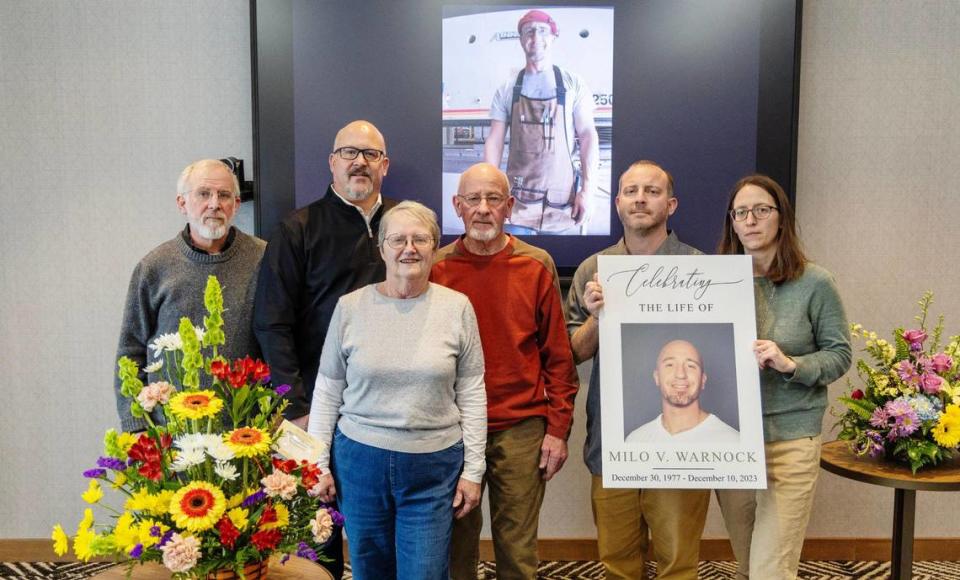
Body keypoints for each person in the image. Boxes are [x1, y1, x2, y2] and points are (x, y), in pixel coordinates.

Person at [307, 201, 487, 580]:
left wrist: (474, 470)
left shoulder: (457, 308)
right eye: (398, 239)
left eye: (421, 239)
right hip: (359, 465)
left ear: (435, 247)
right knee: (371, 571)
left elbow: (472, 394)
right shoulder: (350, 308)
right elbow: (327, 392)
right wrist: (316, 465)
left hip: (433, 467)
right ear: (381, 248)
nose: (410, 248)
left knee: (424, 572)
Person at [253, 120, 396, 578]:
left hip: (384, 411)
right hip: (311, 410)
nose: (359, 161)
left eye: (370, 154)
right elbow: (271, 323)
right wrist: (294, 408)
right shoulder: (297, 229)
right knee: (314, 537)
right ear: (332, 162)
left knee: (379, 536)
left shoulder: (404, 226)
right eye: (349, 152)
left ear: (385, 166)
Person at [431, 162, 579, 579]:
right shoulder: (437, 269)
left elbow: (559, 359)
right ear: (457, 206)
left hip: (521, 429)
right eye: (473, 199)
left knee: (516, 551)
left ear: (509, 205)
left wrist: (558, 429)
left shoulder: (536, 265)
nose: (483, 208)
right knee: (455, 549)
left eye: (493, 198)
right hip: (453, 429)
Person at [565, 160, 709, 579]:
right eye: (631, 191)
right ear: (617, 203)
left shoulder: (701, 268)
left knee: (678, 565)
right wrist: (597, 317)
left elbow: (716, 354)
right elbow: (573, 352)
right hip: (613, 442)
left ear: (672, 204)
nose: (641, 199)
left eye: (652, 191)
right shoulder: (593, 269)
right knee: (617, 564)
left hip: (682, 446)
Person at [714, 175, 851, 579]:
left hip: (789, 440)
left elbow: (840, 354)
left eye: (762, 210)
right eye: (741, 212)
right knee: (747, 563)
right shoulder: (713, 283)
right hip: (731, 440)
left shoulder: (815, 282)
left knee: (770, 569)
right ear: (732, 223)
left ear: (781, 218)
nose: (751, 220)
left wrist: (792, 364)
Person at [114, 159, 265, 433]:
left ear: (237, 205)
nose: (214, 204)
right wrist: (137, 427)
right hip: (173, 433)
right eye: (204, 194)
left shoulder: (265, 258)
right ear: (182, 204)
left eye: (224, 195)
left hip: (246, 432)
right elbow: (130, 350)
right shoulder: (154, 267)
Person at [483, 9, 599, 235]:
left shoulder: (572, 84)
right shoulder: (507, 89)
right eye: (529, 31)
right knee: (518, 268)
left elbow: (587, 135)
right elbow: (494, 141)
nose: (536, 37)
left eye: (543, 31)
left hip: (562, 203)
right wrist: (489, 189)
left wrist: (587, 190)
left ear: (553, 37)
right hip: (517, 205)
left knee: (558, 267)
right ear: (521, 40)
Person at [625, 339, 739, 444]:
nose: (680, 374)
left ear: (703, 380)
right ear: (656, 377)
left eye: (691, 366)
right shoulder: (635, 440)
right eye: (670, 365)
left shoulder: (733, 441)